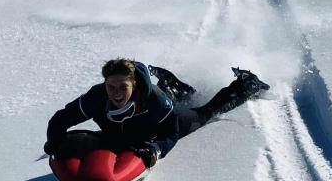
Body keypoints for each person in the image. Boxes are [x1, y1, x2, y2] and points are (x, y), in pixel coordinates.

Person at [44, 58, 269, 167]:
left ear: (134, 84)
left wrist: (157, 149)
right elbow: (63, 117)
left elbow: (171, 134)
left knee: (204, 114)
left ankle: (247, 86)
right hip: (128, 133)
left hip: (164, 123)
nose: (116, 93)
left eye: (123, 86)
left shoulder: (155, 102)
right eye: (111, 86)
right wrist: (54, 138)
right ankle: (174, 87)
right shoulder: (97, 97)